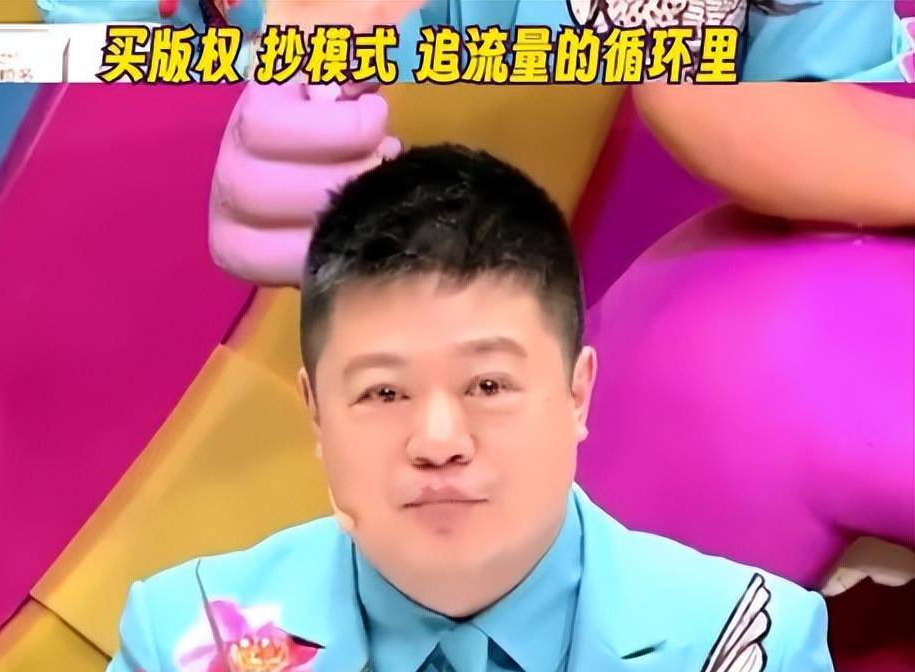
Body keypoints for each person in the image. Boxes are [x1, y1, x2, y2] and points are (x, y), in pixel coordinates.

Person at [108, 144, 834, 672]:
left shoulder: (746, 641)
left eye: (487, 386)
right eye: (384, 392)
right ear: (317, 413)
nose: (438, 441)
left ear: (577, 393)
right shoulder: (187, 639)